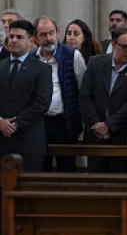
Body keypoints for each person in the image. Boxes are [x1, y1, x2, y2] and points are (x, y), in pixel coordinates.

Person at [79, 26, 127, 172]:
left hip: (120, 135)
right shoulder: (95, 63)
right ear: (114, 44)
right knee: (95, 178)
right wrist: (97, 126)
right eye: (126, 47)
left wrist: (108, 125)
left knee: (120, 179)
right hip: (95, 136)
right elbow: (85, 97)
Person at [34, 17, 86, 173]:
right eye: (43, 35)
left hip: (65, 123)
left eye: (51, 33)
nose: (48, 38)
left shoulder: (73, 55)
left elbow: (83, 89)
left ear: (57, 33)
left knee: (67, 169)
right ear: (35, 38)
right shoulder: (31, 58)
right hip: (38, 123)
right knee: (40, 168)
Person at [0, 20, 53, 172]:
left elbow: (42, 103)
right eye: (11, 36)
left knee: (28, 186)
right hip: (1, 142)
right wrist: (0, 122)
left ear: (31, 40)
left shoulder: (42, 69)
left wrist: (15, 124)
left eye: (19, 37)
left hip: (28, 143)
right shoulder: (1, 66)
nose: (14, 40)